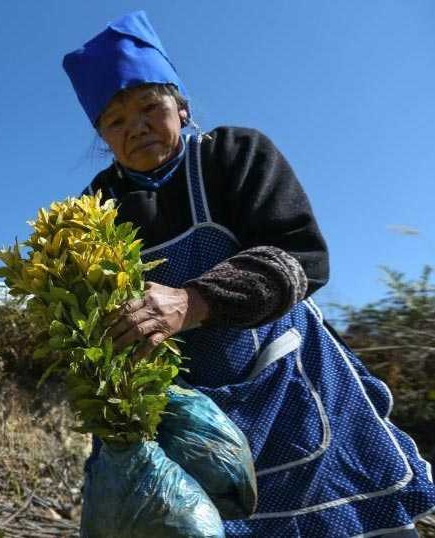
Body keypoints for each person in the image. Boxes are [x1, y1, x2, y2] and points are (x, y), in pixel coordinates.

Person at [62, 11, 435, 536]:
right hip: (185, 414)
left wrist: (192, 302)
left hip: (283, 383)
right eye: (116, 121)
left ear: (182, 107)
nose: (137, 127)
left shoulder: (233, 154)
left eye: (151, 107)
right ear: (101, 134)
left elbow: (300, 255)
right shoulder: (97, 206)